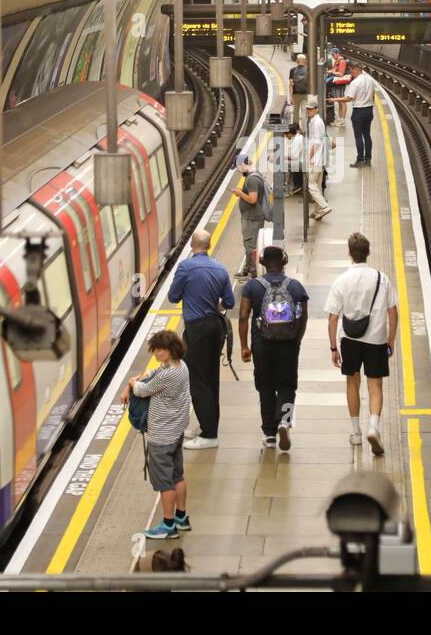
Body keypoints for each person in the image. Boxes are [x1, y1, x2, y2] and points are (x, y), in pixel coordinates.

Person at [325, 232, 398, 455]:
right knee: (375, 386)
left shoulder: (341, 280)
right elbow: (393, 313)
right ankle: (373, 426)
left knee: (352, 383)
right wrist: (390, 341)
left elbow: (333, 318)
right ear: (368, 253)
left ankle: (356, 433)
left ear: (349, 253)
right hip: (376, 340)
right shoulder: (381, 278)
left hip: (350, 340)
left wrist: (333, 347)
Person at [237, 245, 309, 450]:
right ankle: (285, 421)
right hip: (289, 345)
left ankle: (269, 434)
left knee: (265, 388)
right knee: (287, 386)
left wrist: (244, 346)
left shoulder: (252, 286)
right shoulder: (296, 287)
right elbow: (303, 317)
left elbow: (243, 317)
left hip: (262, 346)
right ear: (284, 262)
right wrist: (298, 340)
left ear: (263, 263)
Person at [122, 329, 192, 539]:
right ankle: (181, 517)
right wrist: (132, 385)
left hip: (162, 435)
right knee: (177, 475)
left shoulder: (169, 374)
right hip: (176, 430)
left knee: (165, 483)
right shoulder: (180, 366)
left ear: (171, 350)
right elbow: (153, 374)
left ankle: (168, 526)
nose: (156, 355)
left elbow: (143, 390)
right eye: (155, 350)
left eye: (160, 351)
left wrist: (132, 384)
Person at [167, 230, 234, 449]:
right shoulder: (220, 268)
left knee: (197, 380)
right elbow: (229, 302)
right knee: (211, 378)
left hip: (197, 329)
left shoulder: (186, 267)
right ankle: (208, 426)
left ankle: (209, 435)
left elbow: (173, 297)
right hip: (215, 327)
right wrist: (216, 307)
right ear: (210, 244)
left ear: (191, 245)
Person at [330, 60, 378, 167]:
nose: (351, 72)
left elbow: (348, 98)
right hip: (369, 110)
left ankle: (360, 160)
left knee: (358, 136)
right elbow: (373, 96)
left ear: (357, 70)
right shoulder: (370, 80)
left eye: (352, 70)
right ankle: (368, 160)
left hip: (359, 111)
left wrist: (333, 99)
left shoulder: (355, 83)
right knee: (367, 135)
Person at [231, 152, 267, 279]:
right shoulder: (255, 175)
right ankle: (247, 269)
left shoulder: (251, 179)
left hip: (252, 218)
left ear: (242, 165)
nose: (238, 171)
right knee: (250, 244)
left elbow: (253, 199)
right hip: (252, 217)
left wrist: (239, 193)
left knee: (250, 246)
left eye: (238, 168)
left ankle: (254, 274)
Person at [303, 96, 332, 221]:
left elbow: (316, 142)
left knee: (311, 186)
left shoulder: (317, 122)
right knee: (317, 186)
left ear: (316, 109)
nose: (309, 111)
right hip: (319, 159)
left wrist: (309, 157)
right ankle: (317, 210)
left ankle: (324, 207)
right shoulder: (315, 121)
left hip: (315, 159)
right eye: (308, 109)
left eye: (311, 109)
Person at [289, 54, 309, 126]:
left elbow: (291, 84)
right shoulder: (307, 70)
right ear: (305, 61)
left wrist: (291, 96)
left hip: (295, 94)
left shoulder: (292, 70)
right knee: (304, 113)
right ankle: (304, 130)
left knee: (295, 112)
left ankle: (296, 128)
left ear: (297, 61)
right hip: (305, 94)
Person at [284, 122, 303, 196]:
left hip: (302, 163)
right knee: (289, 165)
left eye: (286, 134)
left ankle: (287, 190)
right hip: (303, 162)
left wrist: (283, 157)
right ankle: (290, 189)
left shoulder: (296, 140)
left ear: (289, 134)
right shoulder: (299, 137)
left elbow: (294, 156)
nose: (286, 136)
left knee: (284, 165)